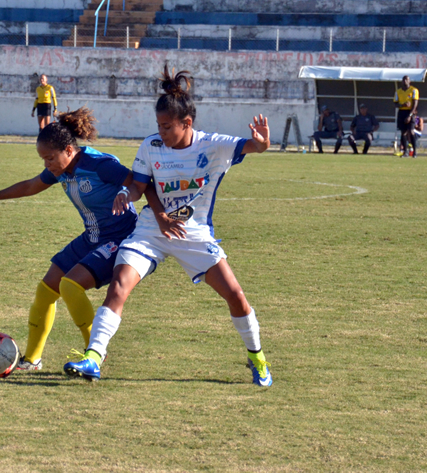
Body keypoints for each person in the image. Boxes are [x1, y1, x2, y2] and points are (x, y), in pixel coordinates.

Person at [64, 66, 274, 387]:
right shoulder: (151, 146)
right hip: (151, 231)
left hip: (194, 234)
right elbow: (138, 186)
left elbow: (254, 146)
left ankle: (257, 358)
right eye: (159, 126)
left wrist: (262, 142)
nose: (161, 132)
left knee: (236, 296)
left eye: (167, 127)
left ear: (186, 123)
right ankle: (94, 357)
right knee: (118, 286)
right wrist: (125, 193)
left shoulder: (213, 145)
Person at [0, 107, 138, 371]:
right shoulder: (62, 170)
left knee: (70, 285)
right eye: (43, 159)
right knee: (46, 290)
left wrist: (146, 207)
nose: (46, 165)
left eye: (49, 158)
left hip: (120, 236)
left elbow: (138, 182)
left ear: (69, 151)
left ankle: (95, 353)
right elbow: (30, 186)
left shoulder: (100, 165)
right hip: (92, 236)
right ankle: (32, 360)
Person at [394, 75, 419, 158]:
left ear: (409, 81)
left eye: (407, 79)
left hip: (410, 112)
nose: (405, 81)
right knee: (403, 132)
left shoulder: (414, 90)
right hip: (402, 112)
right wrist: (402, 104)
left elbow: (415, 103)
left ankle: (415, 152)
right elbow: (395, 103)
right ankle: (405, 152)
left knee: (411, 131)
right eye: (404, 79)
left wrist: (410, 115)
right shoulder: (398, 92)